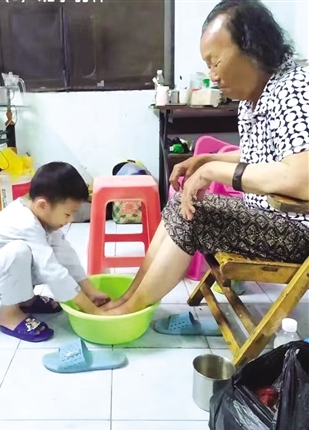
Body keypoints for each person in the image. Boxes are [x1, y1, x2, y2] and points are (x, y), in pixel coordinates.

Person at [103, 0, 309, 316]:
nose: (212, 76)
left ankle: (129, 311)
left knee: (194, 216)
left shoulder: (294, 86)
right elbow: (270, 155)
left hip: (297, 231)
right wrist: (206, 160)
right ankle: (129, 297)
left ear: (252, 48)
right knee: (179, 205)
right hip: (269, 214)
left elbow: (301, 178)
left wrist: (214, 170)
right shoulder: (257, 94)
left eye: (215, 62)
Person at [0, 162, 108, 342]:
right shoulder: (25, 223)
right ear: (42, 205)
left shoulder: (40, 217)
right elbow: (52, 271)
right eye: (67, 214)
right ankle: (9, 314)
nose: (70, 220)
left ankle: (25, 301)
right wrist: (91, 310)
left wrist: (90, 290)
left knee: (49, 253)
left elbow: (65, 255)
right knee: (20, 252)